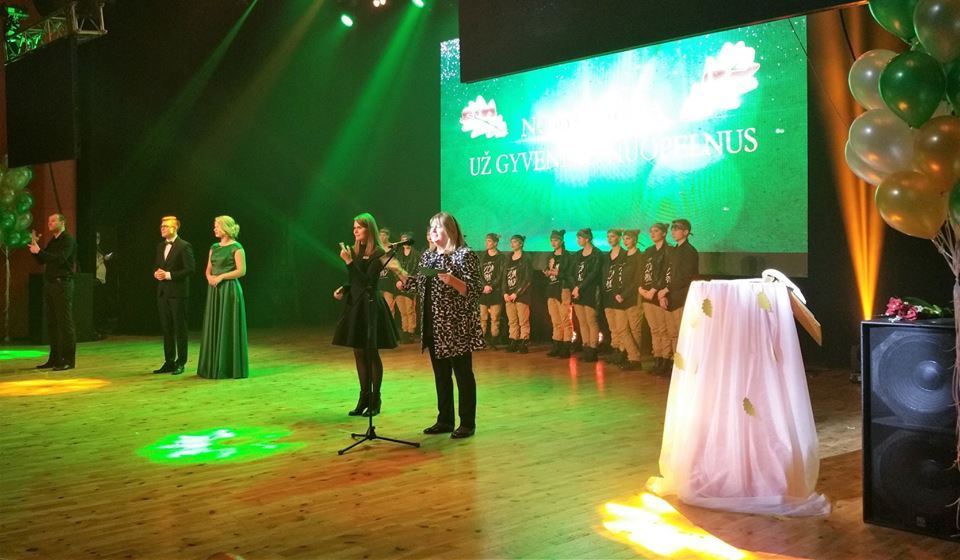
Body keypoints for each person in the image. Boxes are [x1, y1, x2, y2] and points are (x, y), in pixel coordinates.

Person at [400, 212, 484, 439]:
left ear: (450, 230)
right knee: (441, 375)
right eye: (431, 227)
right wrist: (405, 281)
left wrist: (453, 280)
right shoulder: (428, 257)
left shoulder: (464, 255)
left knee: (463, 375)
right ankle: (445, 420)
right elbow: (422, 284)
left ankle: (467, 423)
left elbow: (475, 289)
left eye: (437, 227)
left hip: (456, 327)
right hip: (433, 326)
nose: (433, 231)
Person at [333, 213, 402, 416]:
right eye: (354, 227)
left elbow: (367, 281)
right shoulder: (356, 251)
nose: (355, 230)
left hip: (370, 304)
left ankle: (375, 399)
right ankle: (363, 398)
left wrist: (348, 262)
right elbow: (355, 280)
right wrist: (345, 288)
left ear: (369, 229)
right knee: (358, 351)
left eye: (359, 227)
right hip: (356, 304)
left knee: (371, 352)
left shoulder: (378, 252)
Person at [197, 215, 249, 379]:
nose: (214, 229)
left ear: (225, 228)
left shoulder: (237, 247)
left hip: (229, 289)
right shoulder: (214, 247)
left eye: (217, 226)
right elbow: (208, 268)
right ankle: (213, 365)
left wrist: (221, 277)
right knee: (214, 324)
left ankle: (227, 367)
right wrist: (209, 277)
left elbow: (241, 271)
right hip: (214, 289)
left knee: (227, 325)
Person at [28, 214, 77, 371]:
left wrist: (40, 251)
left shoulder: (68, 240)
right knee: (52, 323)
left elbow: (60, 259)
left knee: (65, 323)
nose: (50, 223)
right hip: (51, 284)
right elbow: (42, 260)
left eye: (53, 220)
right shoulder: (53, 241)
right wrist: (35, 249)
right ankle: (54, 358)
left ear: (62, 222)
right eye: (49, 221)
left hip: (62, 284)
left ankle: (68, 360)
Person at [153, 216, 196, 375]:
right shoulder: (160, 246)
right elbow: (158, 265)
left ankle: (181, 362)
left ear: (175, 228)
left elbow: (190, 269)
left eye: (166, 226)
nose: (162, 228)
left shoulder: (184, 246)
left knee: (180, 328)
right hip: (163, 293)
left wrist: (169, 275)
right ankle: (169, 361)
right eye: (161, 226)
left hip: (178, 293)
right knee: (167, 329)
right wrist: (157, 273)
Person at [658, 218, 699, 375]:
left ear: (686, 232)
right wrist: (663, 293)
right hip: (669, 296)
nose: (673, 232)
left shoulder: (689, 251)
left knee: (680, 333)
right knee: (671, 332)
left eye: (677, 229)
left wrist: (667, 289)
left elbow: (685, 276)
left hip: (680, 297)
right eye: (673, 229)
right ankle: (669, 361)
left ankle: (681, 366)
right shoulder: (673, 250)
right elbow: (666, 273)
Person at [640, 223, 672, 375]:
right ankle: (657, 358)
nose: (652, 234)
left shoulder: (668, 250)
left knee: (663, 329)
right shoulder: (648, 251)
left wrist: (654, 290)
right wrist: (641, 288)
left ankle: (666, 359)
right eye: (651, 231)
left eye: (656, 231)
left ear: (664, 233)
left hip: (659, 294)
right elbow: (642, 271)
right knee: (654, 329)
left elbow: (665, 273)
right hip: (647, 294)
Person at [572, 228, 602, 362]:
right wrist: (575, 287)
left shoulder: (597, 254)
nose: (578, 240)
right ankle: (586, 347)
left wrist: (580, 287)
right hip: (577, 291)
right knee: (582, 321)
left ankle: (593, 349)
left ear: (587, 238)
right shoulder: (577, 255)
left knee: (591, 320)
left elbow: (593, 273)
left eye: (579, 238)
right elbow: (571, 272)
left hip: (590, 290)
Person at [617, 229, 646, 370]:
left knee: (635, 329)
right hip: (620, 296)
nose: (625, 241)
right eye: (624, 239)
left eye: (628, 238)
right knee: (622, 328)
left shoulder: (639, 257)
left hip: (633, 297)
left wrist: (625, 294)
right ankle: (631, 355)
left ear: (634, 239)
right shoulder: (623, 255)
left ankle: (635, 360)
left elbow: (637, 279)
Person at [543, 230, 574, 358]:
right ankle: (557, 344)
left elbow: (570, 274)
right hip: (551, 289)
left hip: (563, 289)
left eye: (555, 240)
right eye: (551, 240)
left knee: (565, 319)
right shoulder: (551, 256)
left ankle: (566, 346)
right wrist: (547, 272)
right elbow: (548, 270)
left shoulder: (567, 256)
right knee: (555, 320)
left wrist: (558, 273)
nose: (553, 243)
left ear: (561, 241)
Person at [502, 234, 533, 353]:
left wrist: (517, 293)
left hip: (521, 295)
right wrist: (505, 292)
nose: (512, 244)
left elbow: (527, 279)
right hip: (509, 294)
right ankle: (513, 340)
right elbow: (504, 277)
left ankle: (523, 342)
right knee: (512, 320)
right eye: (511, 242)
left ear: (521, 244)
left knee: (523, 320)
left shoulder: (526, 258)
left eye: (515, 242)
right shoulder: (508, 258)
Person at [478, 233, 506, 349]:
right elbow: (479, 273)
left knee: (495, 318)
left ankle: (494, 340)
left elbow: (501, 274)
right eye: (486, 240)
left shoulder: (501, 257)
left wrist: (492, 286)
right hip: (484, 291)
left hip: (496, 291)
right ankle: (482, 340)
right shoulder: (482, 256)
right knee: (483, 317)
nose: (487, 243)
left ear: (495, 243)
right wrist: (484, 286)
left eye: (489, 241)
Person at [394, 232, 420, 344]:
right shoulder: (398, 254)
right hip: (400, 284)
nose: (405, 242)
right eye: (403, 240)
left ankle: (411, 331)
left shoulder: (416, 254)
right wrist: (398, 280)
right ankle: (405, 331)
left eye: (407, 240)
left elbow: (418, 270)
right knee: (402, 310)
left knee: (410, 309)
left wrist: (409, 280)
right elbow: (395, 269)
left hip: (411, 284)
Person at [378, 227, 399, 318]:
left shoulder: (393, 249)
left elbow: (396, 265)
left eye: (384, 235)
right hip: (378, 282)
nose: (382, 237)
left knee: (389, 307)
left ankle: (391, 325)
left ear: (388, 236)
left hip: (389, 282)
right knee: (379, 308)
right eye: (380, 235)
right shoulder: (378, 249)